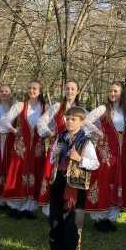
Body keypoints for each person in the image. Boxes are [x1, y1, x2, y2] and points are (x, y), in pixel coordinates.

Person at [47, 107, 100, 250]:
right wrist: (54, 154)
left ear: (81, 122)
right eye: (67, 118)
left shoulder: (86, 141)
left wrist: (79, 159)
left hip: (75, 186)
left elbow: (95, 164)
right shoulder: (60, 138)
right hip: (59, 181)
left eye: (73, 119)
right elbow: (52, 159)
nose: (69, 121)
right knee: (55, 220)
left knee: (72, 223)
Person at [84, 81, 126, 232]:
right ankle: (99, 218)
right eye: (110, 91)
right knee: (103, 180)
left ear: (121, 93)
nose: (112, 94)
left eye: (115, 91)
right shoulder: (103, 109)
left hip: (122, 153)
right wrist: (98, 132)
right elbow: (86, 120)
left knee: (118, 180)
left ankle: (110, 217)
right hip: (105, 152)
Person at [1, 80, 47, 219]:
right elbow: (4, 120)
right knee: (18, 174)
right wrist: (14, 130)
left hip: (37, 148)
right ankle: (15, 207)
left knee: (34, 173)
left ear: (40, 91)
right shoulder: (20, 105)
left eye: (34, 88)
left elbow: (51, 125)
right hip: (21, 147)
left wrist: (47, 134)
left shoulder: (46, 107)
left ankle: (28, 207)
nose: (31, 90)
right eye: (29, 88)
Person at [38, 80, 82, 215]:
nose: (70, 91)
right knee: (52, 175)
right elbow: (42, 121)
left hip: (72, 149)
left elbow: (87, 125)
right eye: (67, 89)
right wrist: (51, 133)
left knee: (68, 176)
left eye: (73, 89)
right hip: (56, 147)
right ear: (64, 91)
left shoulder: (80, 110)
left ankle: (67, 206)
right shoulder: (57, 106)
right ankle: (50, 208)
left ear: (77, 91)